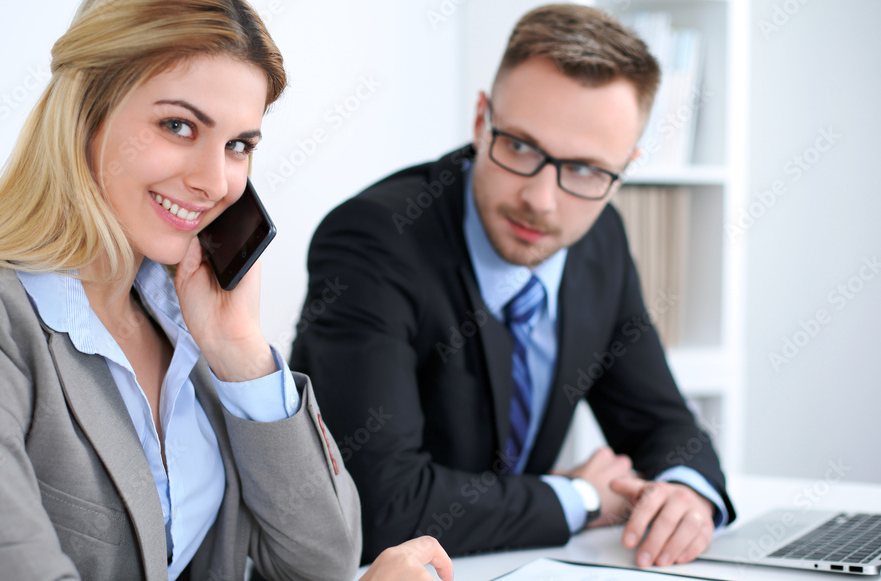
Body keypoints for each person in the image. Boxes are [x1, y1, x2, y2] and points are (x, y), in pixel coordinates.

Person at [0, 1, 452, 579]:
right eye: (178, 126)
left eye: (238, 146)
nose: (214, 181)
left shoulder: (188, 323)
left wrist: (242, 356)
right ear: (85, 115)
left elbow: (322, 563)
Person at [291, 3, 736, 569]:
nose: (541, 201)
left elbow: (663, 421)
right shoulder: (374, 241)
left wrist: (688, 492)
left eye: (585, 170)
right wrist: (581, 498)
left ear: (624, 170)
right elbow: (380, 503)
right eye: (521, 146)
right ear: (481, 120)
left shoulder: (600, 239)